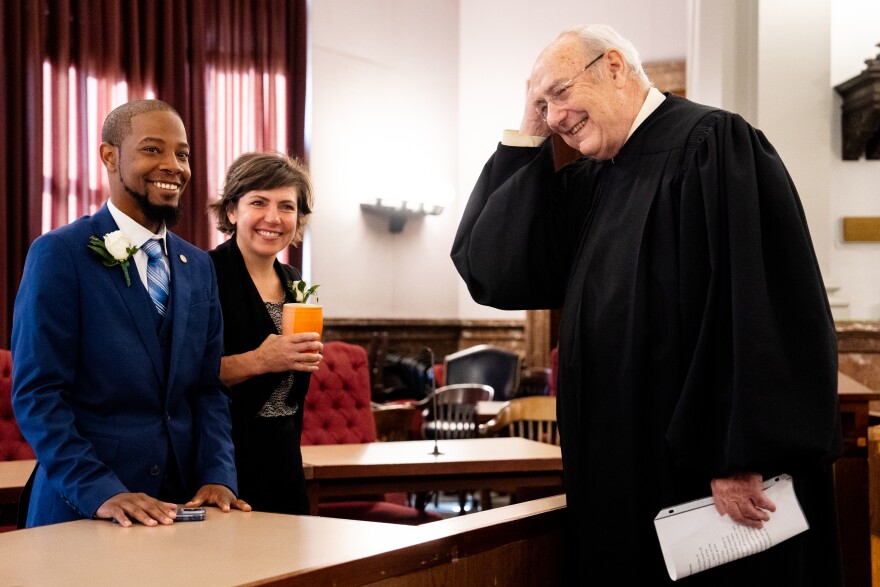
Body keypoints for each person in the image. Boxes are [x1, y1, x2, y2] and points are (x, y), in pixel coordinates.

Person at [451, 24, 843, 585]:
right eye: (542, 103)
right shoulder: (593, 181)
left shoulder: (713, 143)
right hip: (615, 466)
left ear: (614, 67)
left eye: (560, 93)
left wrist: (739, 456)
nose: (555, 115)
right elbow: (494, 271)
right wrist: (529, 128)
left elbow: (759, 306)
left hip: (705, 476)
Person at [12, 99, 250, 528]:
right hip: (81, 509)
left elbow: (207, 389)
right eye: (152, 149)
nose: (173, 166)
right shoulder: (59, 254)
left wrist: (219, 475)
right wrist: (101, 490)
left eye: (182, 154)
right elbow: (39, 394)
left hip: (181, 509)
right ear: (109, 156)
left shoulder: (199, 267)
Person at [208, 151, 322, 515]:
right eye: (258, 202)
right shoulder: (205, 274)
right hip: (223, 460)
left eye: (286, 207)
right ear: (231, 211)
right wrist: (260, 360)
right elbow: (184, 373)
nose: (273, 218)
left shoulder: (295, 282)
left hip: (285, 454)